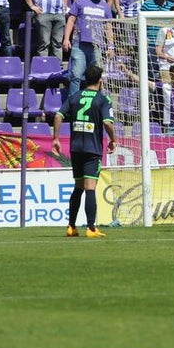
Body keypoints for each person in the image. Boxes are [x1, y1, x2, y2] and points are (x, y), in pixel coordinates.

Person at [51, 63, 115, 239]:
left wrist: (56, 139)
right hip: (92, 149)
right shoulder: (103, 100)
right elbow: (108, 123)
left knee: (78, 187)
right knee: (90, 188)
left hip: (76, 148)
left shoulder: (75, 96)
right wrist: (113, 139)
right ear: (100, 81)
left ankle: (71, 226)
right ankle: (91, 228)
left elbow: (58, 115)